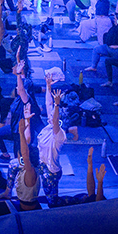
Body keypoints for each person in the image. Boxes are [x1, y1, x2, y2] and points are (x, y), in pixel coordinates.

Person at [0, 58, 42, 160]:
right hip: (14, 129)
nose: (17, 88)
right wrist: (18, 58)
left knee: (19, 159)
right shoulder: (19, 98)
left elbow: (22, 89)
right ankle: (5, 154)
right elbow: (21, 84)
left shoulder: (26, 100)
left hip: (22, 134)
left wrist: (18, 73)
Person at [36, 74, 67, 206]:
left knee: (52, 200)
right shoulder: (49, 127)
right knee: (46, 191)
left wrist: (57, 104)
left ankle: (54, 209)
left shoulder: (59, 134)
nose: (50, 116)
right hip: (43, 165)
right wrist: (48, 87)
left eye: (53, 116)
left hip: (51, 171)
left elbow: (55, 119)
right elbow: (48, 105)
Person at [6, 108, 41, 211]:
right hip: (23, 204)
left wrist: (21, 133)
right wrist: (27, 121)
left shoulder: (30, 172)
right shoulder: (28, 168)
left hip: (28, 209)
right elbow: (27, 141)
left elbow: (25, 155)